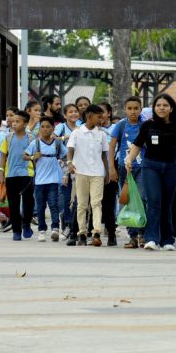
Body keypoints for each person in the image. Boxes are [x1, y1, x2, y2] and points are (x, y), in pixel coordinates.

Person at [125, 93, 176, 251]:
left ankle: (167, 240)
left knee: (167, 204)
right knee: (154, 202)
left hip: (171, 167)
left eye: (165, 105)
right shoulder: (147, 125)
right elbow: (137, 144)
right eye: (158, 105)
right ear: (153, 108)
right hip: (150, 166)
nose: (161, 108)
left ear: (171, 108)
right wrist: (129, 159)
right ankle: (151, 239)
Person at [67, 104, 110, 246]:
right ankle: (82, 233)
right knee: (82, 204)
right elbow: (71, 149)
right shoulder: (77, 133)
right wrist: (69, 163)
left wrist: (107, 172)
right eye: (99, 117)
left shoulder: (102, 134)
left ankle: (96, 232)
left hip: (97, 172)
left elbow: (104, 155)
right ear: (89, 116)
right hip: (80, 171)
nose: (101, 120)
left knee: (96, 203)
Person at [109, 96, 146, 249]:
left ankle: (143, 234)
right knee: (128, 200)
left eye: (136, 108)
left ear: (141, 109)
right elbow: (111, 147)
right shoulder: (120, 125)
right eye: (129, 108)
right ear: (125, 109)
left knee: (142, 199)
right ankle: (132, 236)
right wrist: (111, 168)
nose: (132, 111)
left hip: (143, 168)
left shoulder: (146, 125)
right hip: (124, 169)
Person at [26, 116, 68, 242]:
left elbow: (65, 156)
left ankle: (55, 228)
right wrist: (33, 156)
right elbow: (25, 156)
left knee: (53, 204)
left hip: (54, 179)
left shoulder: (57, 143)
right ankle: (42, 230)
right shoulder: (36, 143)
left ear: (53, 128)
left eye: (48, 126)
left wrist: (66, 172)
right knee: (40, 206)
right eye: (42, 127)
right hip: (39, 180)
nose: (45, 129)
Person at [0, 108, 35, 241]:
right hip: (11, 174)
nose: (14, 124)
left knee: (28, 201)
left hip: (27, 173)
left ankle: (26, 224)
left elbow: (36, 155)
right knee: (13, 203)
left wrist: (33, 160)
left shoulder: (31, 138)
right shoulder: (7, 138)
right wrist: (1, 173)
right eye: (13, 121)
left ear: (25, 124)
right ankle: (16, 230)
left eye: (17, 121)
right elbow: (3, 155)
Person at [55, 103, 80, 240]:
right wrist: (67, 137)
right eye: (70, 112)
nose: (74, 114)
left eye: (75, 111)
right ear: (65, 115)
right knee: (65, 196)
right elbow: (53, 138)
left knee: (76, 198)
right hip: (64, 164)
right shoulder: (61, 127)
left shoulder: (82, 126)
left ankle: (73, 225)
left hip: (78, 164)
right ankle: (65, 224)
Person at [98, 102, 118, 246]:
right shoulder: (89, 129)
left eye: (103, 112)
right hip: (94, 168)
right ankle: (94, 231)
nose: (100, 116)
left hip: (111, 167)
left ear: (109, 113)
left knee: (109, 202)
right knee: (94, 202)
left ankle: (111, 233)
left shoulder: (116, 128)